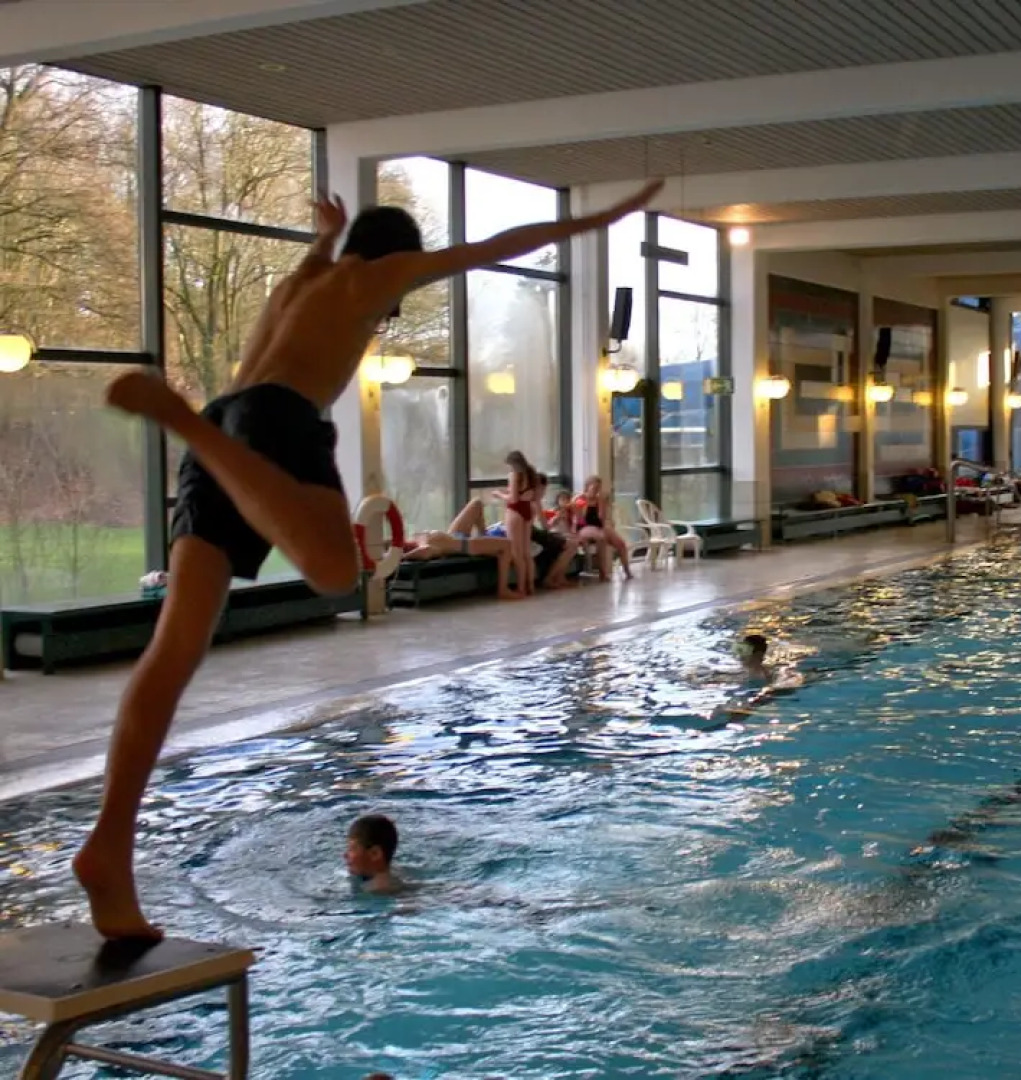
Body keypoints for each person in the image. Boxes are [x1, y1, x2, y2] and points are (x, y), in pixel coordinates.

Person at [78, 178, 664, 940]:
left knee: (174, 648)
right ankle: (187, 425)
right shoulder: (372, 274)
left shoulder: (308, 276)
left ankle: (109, 849)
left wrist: (324, 234)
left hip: (234, 415)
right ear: (397, 258)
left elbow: (320, 262)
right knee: (334, 574)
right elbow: (490, 248)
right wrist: (599, 219)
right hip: (271, 425)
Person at [492, 450, 541, 596]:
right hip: (527, 510)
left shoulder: (514, 475)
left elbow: (513, 499)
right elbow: (535, 497)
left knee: (516, 552)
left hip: (515, 511)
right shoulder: (532, 473)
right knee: (527, 552)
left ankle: (521, 588)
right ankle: (530, 585)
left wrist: (499, 494)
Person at [574, 476, 633, 581]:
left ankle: (627, 571)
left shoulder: (600, 500)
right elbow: (580, 520)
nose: (596, 491)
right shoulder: (579, 499)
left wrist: (602, 504)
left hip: (598, 526)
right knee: (601, 537)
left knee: (620, 543)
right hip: (584, 527)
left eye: (598, 488)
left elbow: (601, 519)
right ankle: (602, 572)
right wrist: (586, 504)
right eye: (594, 488)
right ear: (587, 487)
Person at [345, 814, 401, 895]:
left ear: (375, 854)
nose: (345, 855)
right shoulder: (397, 871)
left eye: (353, 849)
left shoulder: (378, 890)